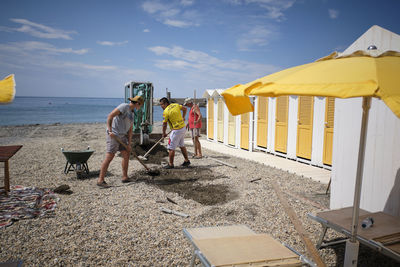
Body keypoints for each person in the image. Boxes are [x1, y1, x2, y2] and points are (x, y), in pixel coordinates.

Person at [96, 95, 144, 187]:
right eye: (140, 105)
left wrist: (129, 144)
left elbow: (130, 130)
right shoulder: (124, 106)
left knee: (126, 154)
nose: (140, 107)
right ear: (137, 103)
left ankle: (125, 177)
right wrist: (110, 131)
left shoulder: (133, 113)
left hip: (122, 136)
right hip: (114, 135)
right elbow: (110, 116)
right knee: (110, 156)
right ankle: (100, 180)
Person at [159, 97, 191, 169]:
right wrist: (183, 117)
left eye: (162, 105)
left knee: (171, 148)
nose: (161, 106)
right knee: (181, 145)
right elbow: (185, 109)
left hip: (176, 130)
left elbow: (164, 124)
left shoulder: (166, 111)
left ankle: (171, 164)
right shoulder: (176, 105)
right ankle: (187, 160)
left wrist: (163, 133)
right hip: (182, 128)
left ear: (166, 103)